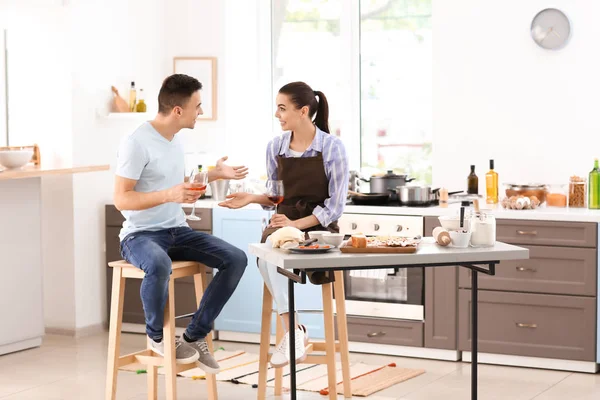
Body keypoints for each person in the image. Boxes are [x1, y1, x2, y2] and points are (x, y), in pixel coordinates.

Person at [114, 74, 249, 373]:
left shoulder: (174, 140)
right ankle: (158, 338)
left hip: (177, 230)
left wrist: (215, 174)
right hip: (140, 236)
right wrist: (169, 194)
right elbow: (122, 199)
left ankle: (194, 335)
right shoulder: (136, 142)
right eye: (197, 106)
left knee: (236, 258)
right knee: (158, 264)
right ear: (178, 110)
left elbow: (179, 185)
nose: (200, 112)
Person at [219, 81, 349, 367]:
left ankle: (293, 335)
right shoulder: (276, 146)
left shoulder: (331, 147)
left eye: (282, 108)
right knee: (266, 254)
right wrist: (251, 197)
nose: (277, 114)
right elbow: (274, 195)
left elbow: (335, 207)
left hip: (318, 228)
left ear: (303, 111)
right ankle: (295, 331)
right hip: (282, 224)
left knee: (270, 253)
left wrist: (296, 223)